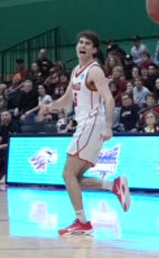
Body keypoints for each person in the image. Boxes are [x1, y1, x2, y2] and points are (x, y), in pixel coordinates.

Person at [40, 31, 131, 235]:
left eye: (87, 43)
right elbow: (66, 100)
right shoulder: (76, 71)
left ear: (94, 49)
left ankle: (83, 222)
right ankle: (113, 185)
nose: (82, 45)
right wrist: (49, 107)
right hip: (87, 126)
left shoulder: (95, 71)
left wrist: (109, 126)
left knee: (67, 174)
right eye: (80, 42)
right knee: (76, 178)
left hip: (92, 124)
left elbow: (108, 99)